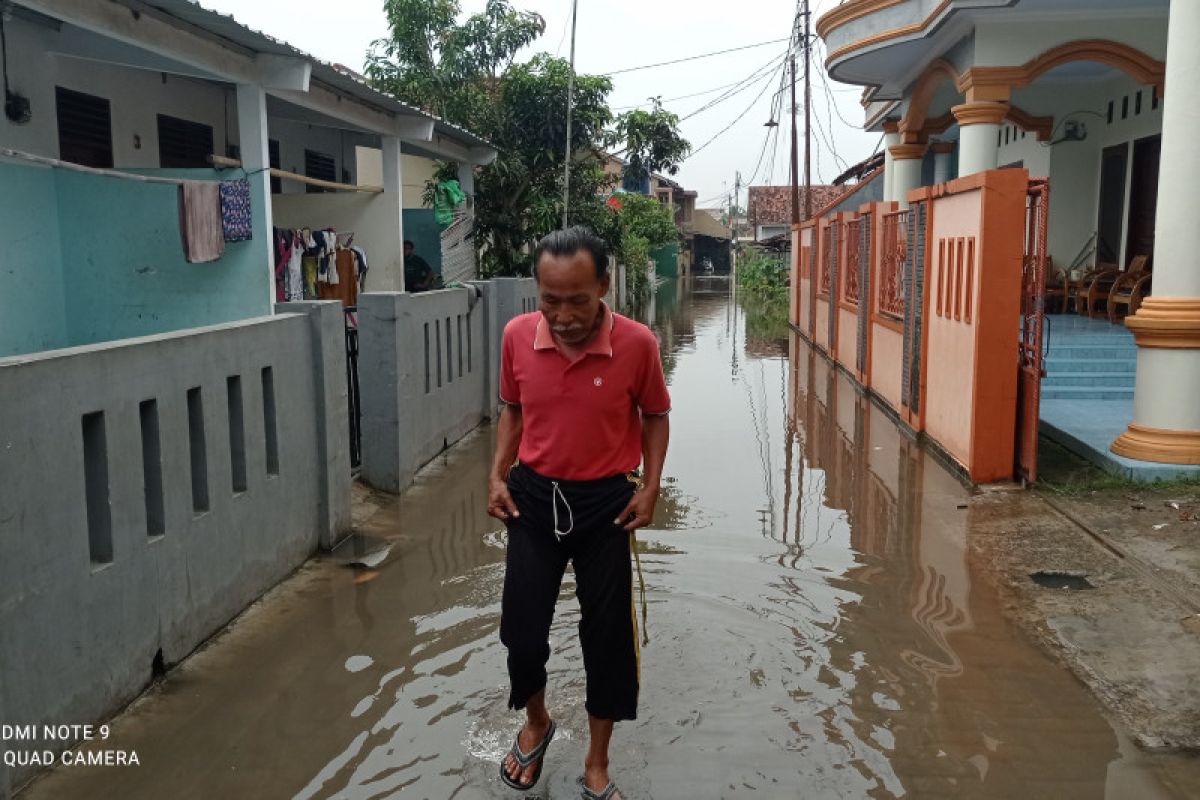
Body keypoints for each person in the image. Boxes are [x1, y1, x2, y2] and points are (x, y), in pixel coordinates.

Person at [489, 227, 670, 799]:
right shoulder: (517, 336)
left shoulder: (638, 344)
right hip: (533, 501)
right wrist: (496, 473)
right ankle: (538, 722)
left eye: (577, 300)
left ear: (605, 287)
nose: (563, 316)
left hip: (607, 507)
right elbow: (512, 410)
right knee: (522, 632)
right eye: (550, 300)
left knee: (608, 638)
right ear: (536, 291)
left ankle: (597, 762)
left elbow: (656, 416)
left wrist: (652, 486)